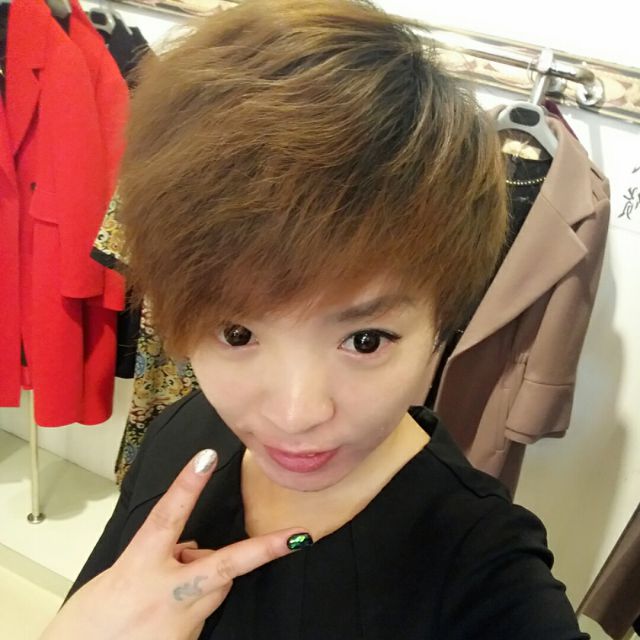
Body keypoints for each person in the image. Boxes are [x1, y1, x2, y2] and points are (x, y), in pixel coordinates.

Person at [41, 0, 589, 638]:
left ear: (442, 323)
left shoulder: (479, 566)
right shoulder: (184, 434)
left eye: (365, 340)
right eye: (238, 333)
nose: (296, 415)